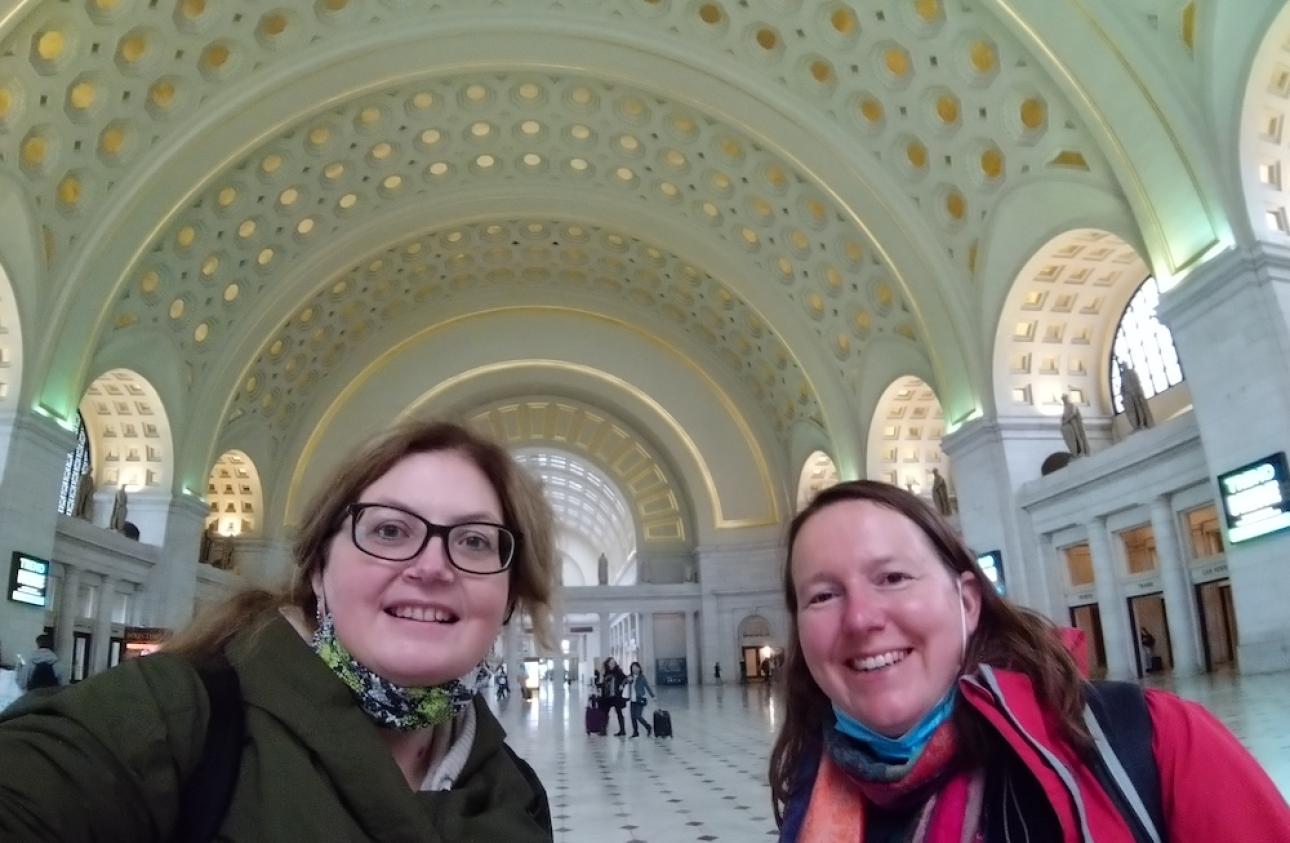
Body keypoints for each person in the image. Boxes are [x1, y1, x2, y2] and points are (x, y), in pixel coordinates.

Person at [0, 420, 559, 840]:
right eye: (389, 530)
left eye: (475, 541)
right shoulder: (174, 721)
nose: (433, 566)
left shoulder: (515, 790)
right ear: (318, 569)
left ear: (510, 594)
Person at [770, 480, 1290, 842]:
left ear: (967, 600)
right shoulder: (810, 792)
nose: (860, 619)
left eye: (893, 578)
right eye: (822, 596)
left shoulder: (1156, 742)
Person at [623, 661, 656, 738]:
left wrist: (653, 696)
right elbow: (624, 682)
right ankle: (635, 732)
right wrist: (627, 680)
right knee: (632, 717)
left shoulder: (642, 677)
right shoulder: (629, 676)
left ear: (639, 668)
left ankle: (648, 727)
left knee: (638, 716)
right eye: (633, 668)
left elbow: (647, 687)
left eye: (636, 667)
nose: (635, 669)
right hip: (632, 699)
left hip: (640, 699)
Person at [599, 657, 627, 737]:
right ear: (607, 664)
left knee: (619, 713)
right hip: (606, 696)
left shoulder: (618, 672)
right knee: (605, 713)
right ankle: (603, 730)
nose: (612, 664)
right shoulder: (605, 672)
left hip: (616, 696)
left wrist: (622, 685)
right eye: (611, 663)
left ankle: (622, 730)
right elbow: (600, 684)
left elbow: (625, 679)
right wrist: (601, 676)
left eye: (614, 663)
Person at [1060, 393, 1091, 457]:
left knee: (1078, 436)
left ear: (1067, 398)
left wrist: (1066, 421)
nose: (1064, 400)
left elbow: (1073, 413)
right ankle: (1077, 451)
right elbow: (1065, 415)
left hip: (1075, 423)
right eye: (1063, 399)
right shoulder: (1065, 407)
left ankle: (1082, 450)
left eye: (1064, 399)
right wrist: (1063, 418)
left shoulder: (1072, 405)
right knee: (1074, 438)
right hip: (1070, 424)